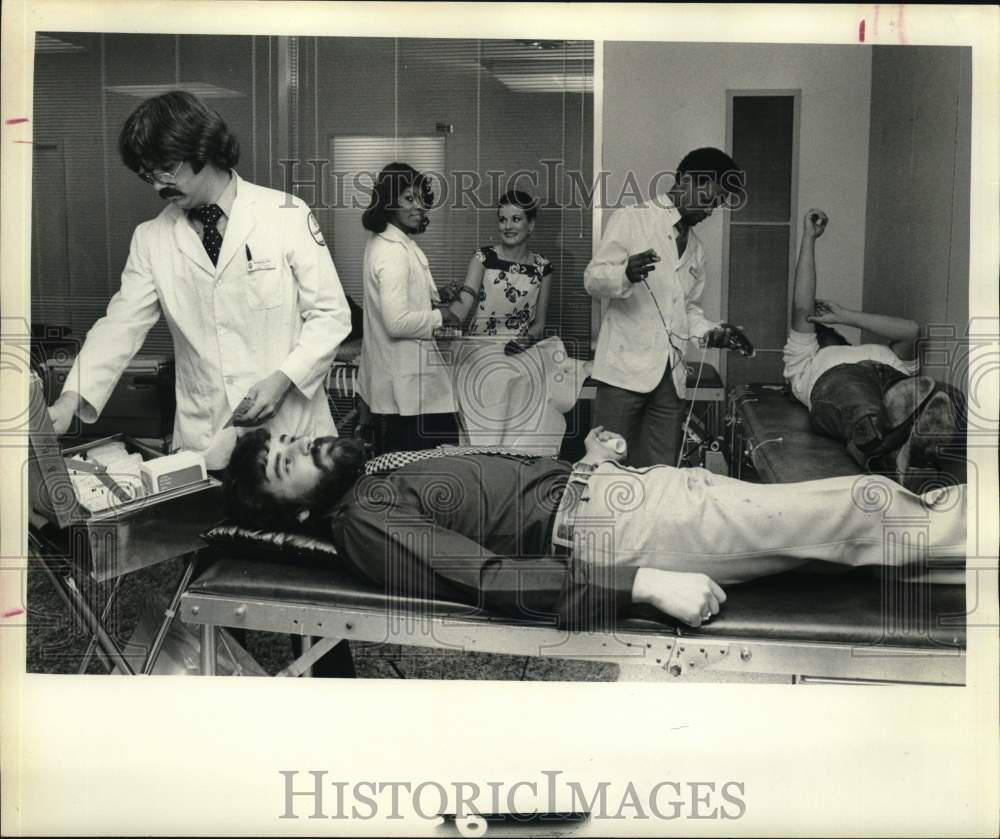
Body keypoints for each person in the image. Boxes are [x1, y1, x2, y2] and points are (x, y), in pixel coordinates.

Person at [222, 426, 964, 631]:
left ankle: (964, 539)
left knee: (845, 541)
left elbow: (499, 499)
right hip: (628, 532)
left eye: (290, 439)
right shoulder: (365, 520)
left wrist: (585, 462)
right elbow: (489, 578)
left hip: (618, 496)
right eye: (287, 463)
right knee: (863, 505)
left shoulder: (374, 472)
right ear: (295, 510)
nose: (304, 444)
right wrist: (645, 584)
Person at [45, 91, 353, 470]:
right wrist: (69, 400)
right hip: (206, 439)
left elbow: (330, 315)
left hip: (293, 438)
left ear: (203, 150)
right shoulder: (151, 238)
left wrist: (284, 379)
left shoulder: (284, 215)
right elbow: (120, 326)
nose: (158, 186)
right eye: (147, 175)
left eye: (165, 169)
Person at [584, 147, 754, 469]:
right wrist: (625, 274)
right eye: (708, 199)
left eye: (716, 205)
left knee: (661, 473)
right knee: (605, 466)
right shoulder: (633, 218)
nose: (710, 211)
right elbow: (592, 279)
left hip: (670, 380)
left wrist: (712, 333)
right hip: (624, 371)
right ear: (687, 181)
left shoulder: (697, 249)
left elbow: (688, 308)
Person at [783, 208, 964, 487]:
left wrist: (846, 315)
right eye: (815, 329)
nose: (816, 329)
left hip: (893, 381)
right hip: (837, 381)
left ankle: (905, 451)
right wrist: (809, 238)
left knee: (945, 396)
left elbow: (912, 331)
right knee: (858, 402)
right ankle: (899, 455)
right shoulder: (804, 361)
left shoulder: (883, 353)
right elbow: (802, 307)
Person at [447, 189, 589, 454]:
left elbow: (539, 323)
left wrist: (525, 341)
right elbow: (465, 300)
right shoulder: (483, 258)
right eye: (503, 220)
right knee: (494, 382)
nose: (507, 226)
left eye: (515, 219)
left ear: (531, 224)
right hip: (479, 346)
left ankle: (518, 464)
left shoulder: (542, 268)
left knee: (528, 386)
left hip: (518, 347)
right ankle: (485, 458)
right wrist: (447, 319)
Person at [357, 162, 460, 453]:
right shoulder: (392, 251)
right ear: (389, 202)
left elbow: (397, 300)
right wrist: (443, 316)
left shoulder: (393, 243)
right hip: (407, 394)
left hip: (407, 389)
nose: (419, 206)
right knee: (431, 470)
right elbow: (396, 322)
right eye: (408, 198)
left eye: (420, 198)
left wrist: (436, 296)